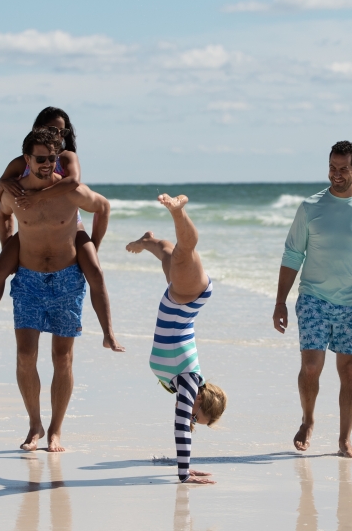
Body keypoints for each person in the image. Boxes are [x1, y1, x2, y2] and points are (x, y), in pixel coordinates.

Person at [0, 128, 115, 452]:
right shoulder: (14, 192)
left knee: (62, 359)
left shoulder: (70, 193)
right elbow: (1, 211)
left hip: (66, 280)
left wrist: (94, 246)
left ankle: (56, 431)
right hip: (30, 280)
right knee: (24, 356)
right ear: (27, 159)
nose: (48, 165)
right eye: (41, 159)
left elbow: (102, 206)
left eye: (53, 158)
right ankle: (35, 425)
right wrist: (11, 249)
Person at [0, 107, 121, 352]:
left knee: (95, 272)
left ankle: (108, 334)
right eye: (51, 129)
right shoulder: (21, 162)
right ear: (37, 129)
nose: (57, 135)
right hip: (30, 226)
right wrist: (3, 185)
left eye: (62, 130)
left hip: (70, 225)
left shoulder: (65, 157)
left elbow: (73, 182)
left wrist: (93, 247)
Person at [272, 140, 352, 459]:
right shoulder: (311, 207)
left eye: (343, 169)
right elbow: (292, 254)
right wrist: (280, 301)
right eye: (332, 168)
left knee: (350, 373)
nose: (336, 175)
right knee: (311, 367)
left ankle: (344, 440)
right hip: (313, 298)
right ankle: (308, 420)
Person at [125, 193, 227, 484]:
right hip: (189, 298)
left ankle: (147, 241)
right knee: (185, 251)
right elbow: (181, 426)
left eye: (195, 420)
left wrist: (188, 465)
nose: (191, 418)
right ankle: (178, 212)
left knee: (168, 254)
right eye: (197, 416)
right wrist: (184, 474)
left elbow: (186, 423)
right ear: (199, 400)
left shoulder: (177, 383)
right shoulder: (189, 380)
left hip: (175, 299)